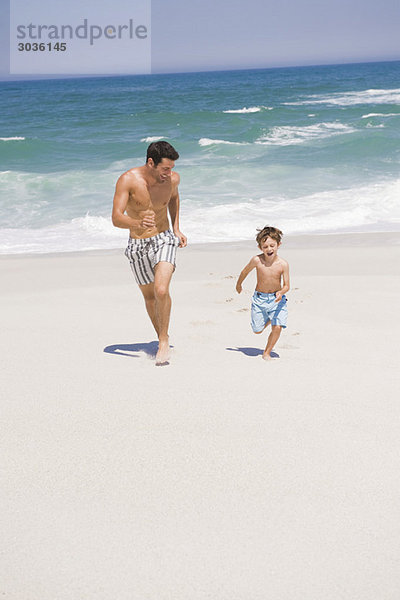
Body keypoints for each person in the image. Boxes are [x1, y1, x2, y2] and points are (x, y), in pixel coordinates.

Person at [112, 141, 187, 365]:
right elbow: (116, 218)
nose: (169, 174)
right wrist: (136, 221)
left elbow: (173, 198)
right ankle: (161, 335)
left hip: (164, 238)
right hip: (137, 244)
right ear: (151, 162)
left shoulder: (173, 179)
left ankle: (163, 341)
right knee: (150, 297)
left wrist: (176, 228)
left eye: (172, 168)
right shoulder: (128, 180)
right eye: (165, 168)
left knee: (161, 289)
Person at [236, 226, 290, 360]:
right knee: (257, 330)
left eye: (272, 245)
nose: (269, 249)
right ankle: (268, 320)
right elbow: (244, 272)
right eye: (265, 246)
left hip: (277, 300)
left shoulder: (283, 264)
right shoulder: (257, 260)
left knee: (277, 327)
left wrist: (281, 292)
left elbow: (287, 285)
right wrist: (238, 284)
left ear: (279, 245)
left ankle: (267, 352)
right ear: (260, 247)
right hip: (259, 299)